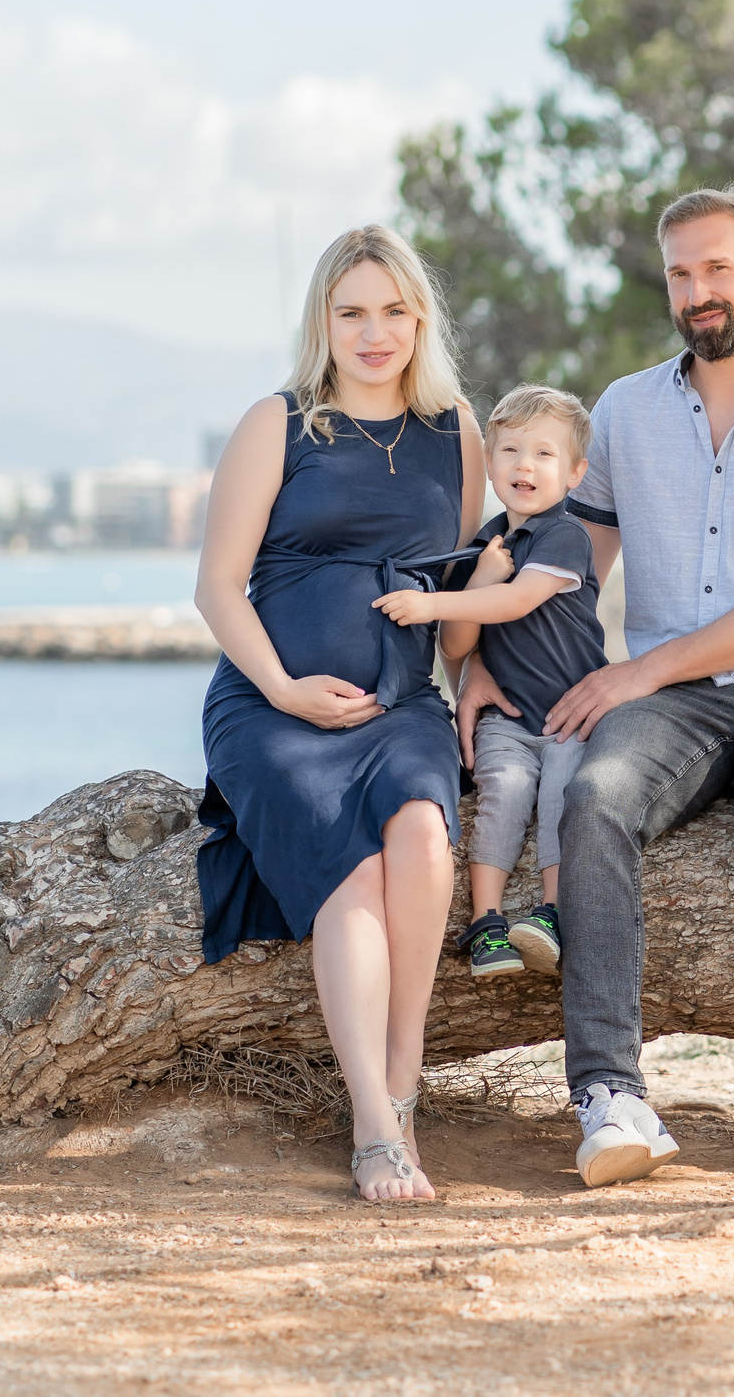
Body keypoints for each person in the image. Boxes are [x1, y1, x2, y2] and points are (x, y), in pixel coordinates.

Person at [458, 187, 734, 1188]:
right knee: (595, 798)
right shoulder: (622, 412)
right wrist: (486, 659)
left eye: (718, 269)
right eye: (681, 274)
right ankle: (609, 1096)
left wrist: (639, 669)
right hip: (677, 700)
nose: (699, 291)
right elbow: (564, 572)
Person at [194, 224, 482, 1202]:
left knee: (423, 840)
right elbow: (218, 588)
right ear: (324, 319)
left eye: (393, 311)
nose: (373, 332)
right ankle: (369, 1121)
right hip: (271, 711)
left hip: (402, 707)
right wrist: (283, 688)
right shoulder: (278, 422)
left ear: (420, 318)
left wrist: (477, 687)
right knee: (354, 878)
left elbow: (459, 599)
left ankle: (404, 1088)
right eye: (352, 311)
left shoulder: (458, 435)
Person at [372, 383, 607, 979]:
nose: (524, 466)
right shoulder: (484, 545)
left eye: (544, 454)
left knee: (561, 795)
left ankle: (551, 912)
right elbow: (458, 644)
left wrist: (433, 604)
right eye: (509, 451)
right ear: (490, 459)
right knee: (501, 792)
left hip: (568, 714)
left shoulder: (565, 536)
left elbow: (520, 600)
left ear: (575, 473)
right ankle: (487, 922)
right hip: (506, 716)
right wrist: (475, 577)